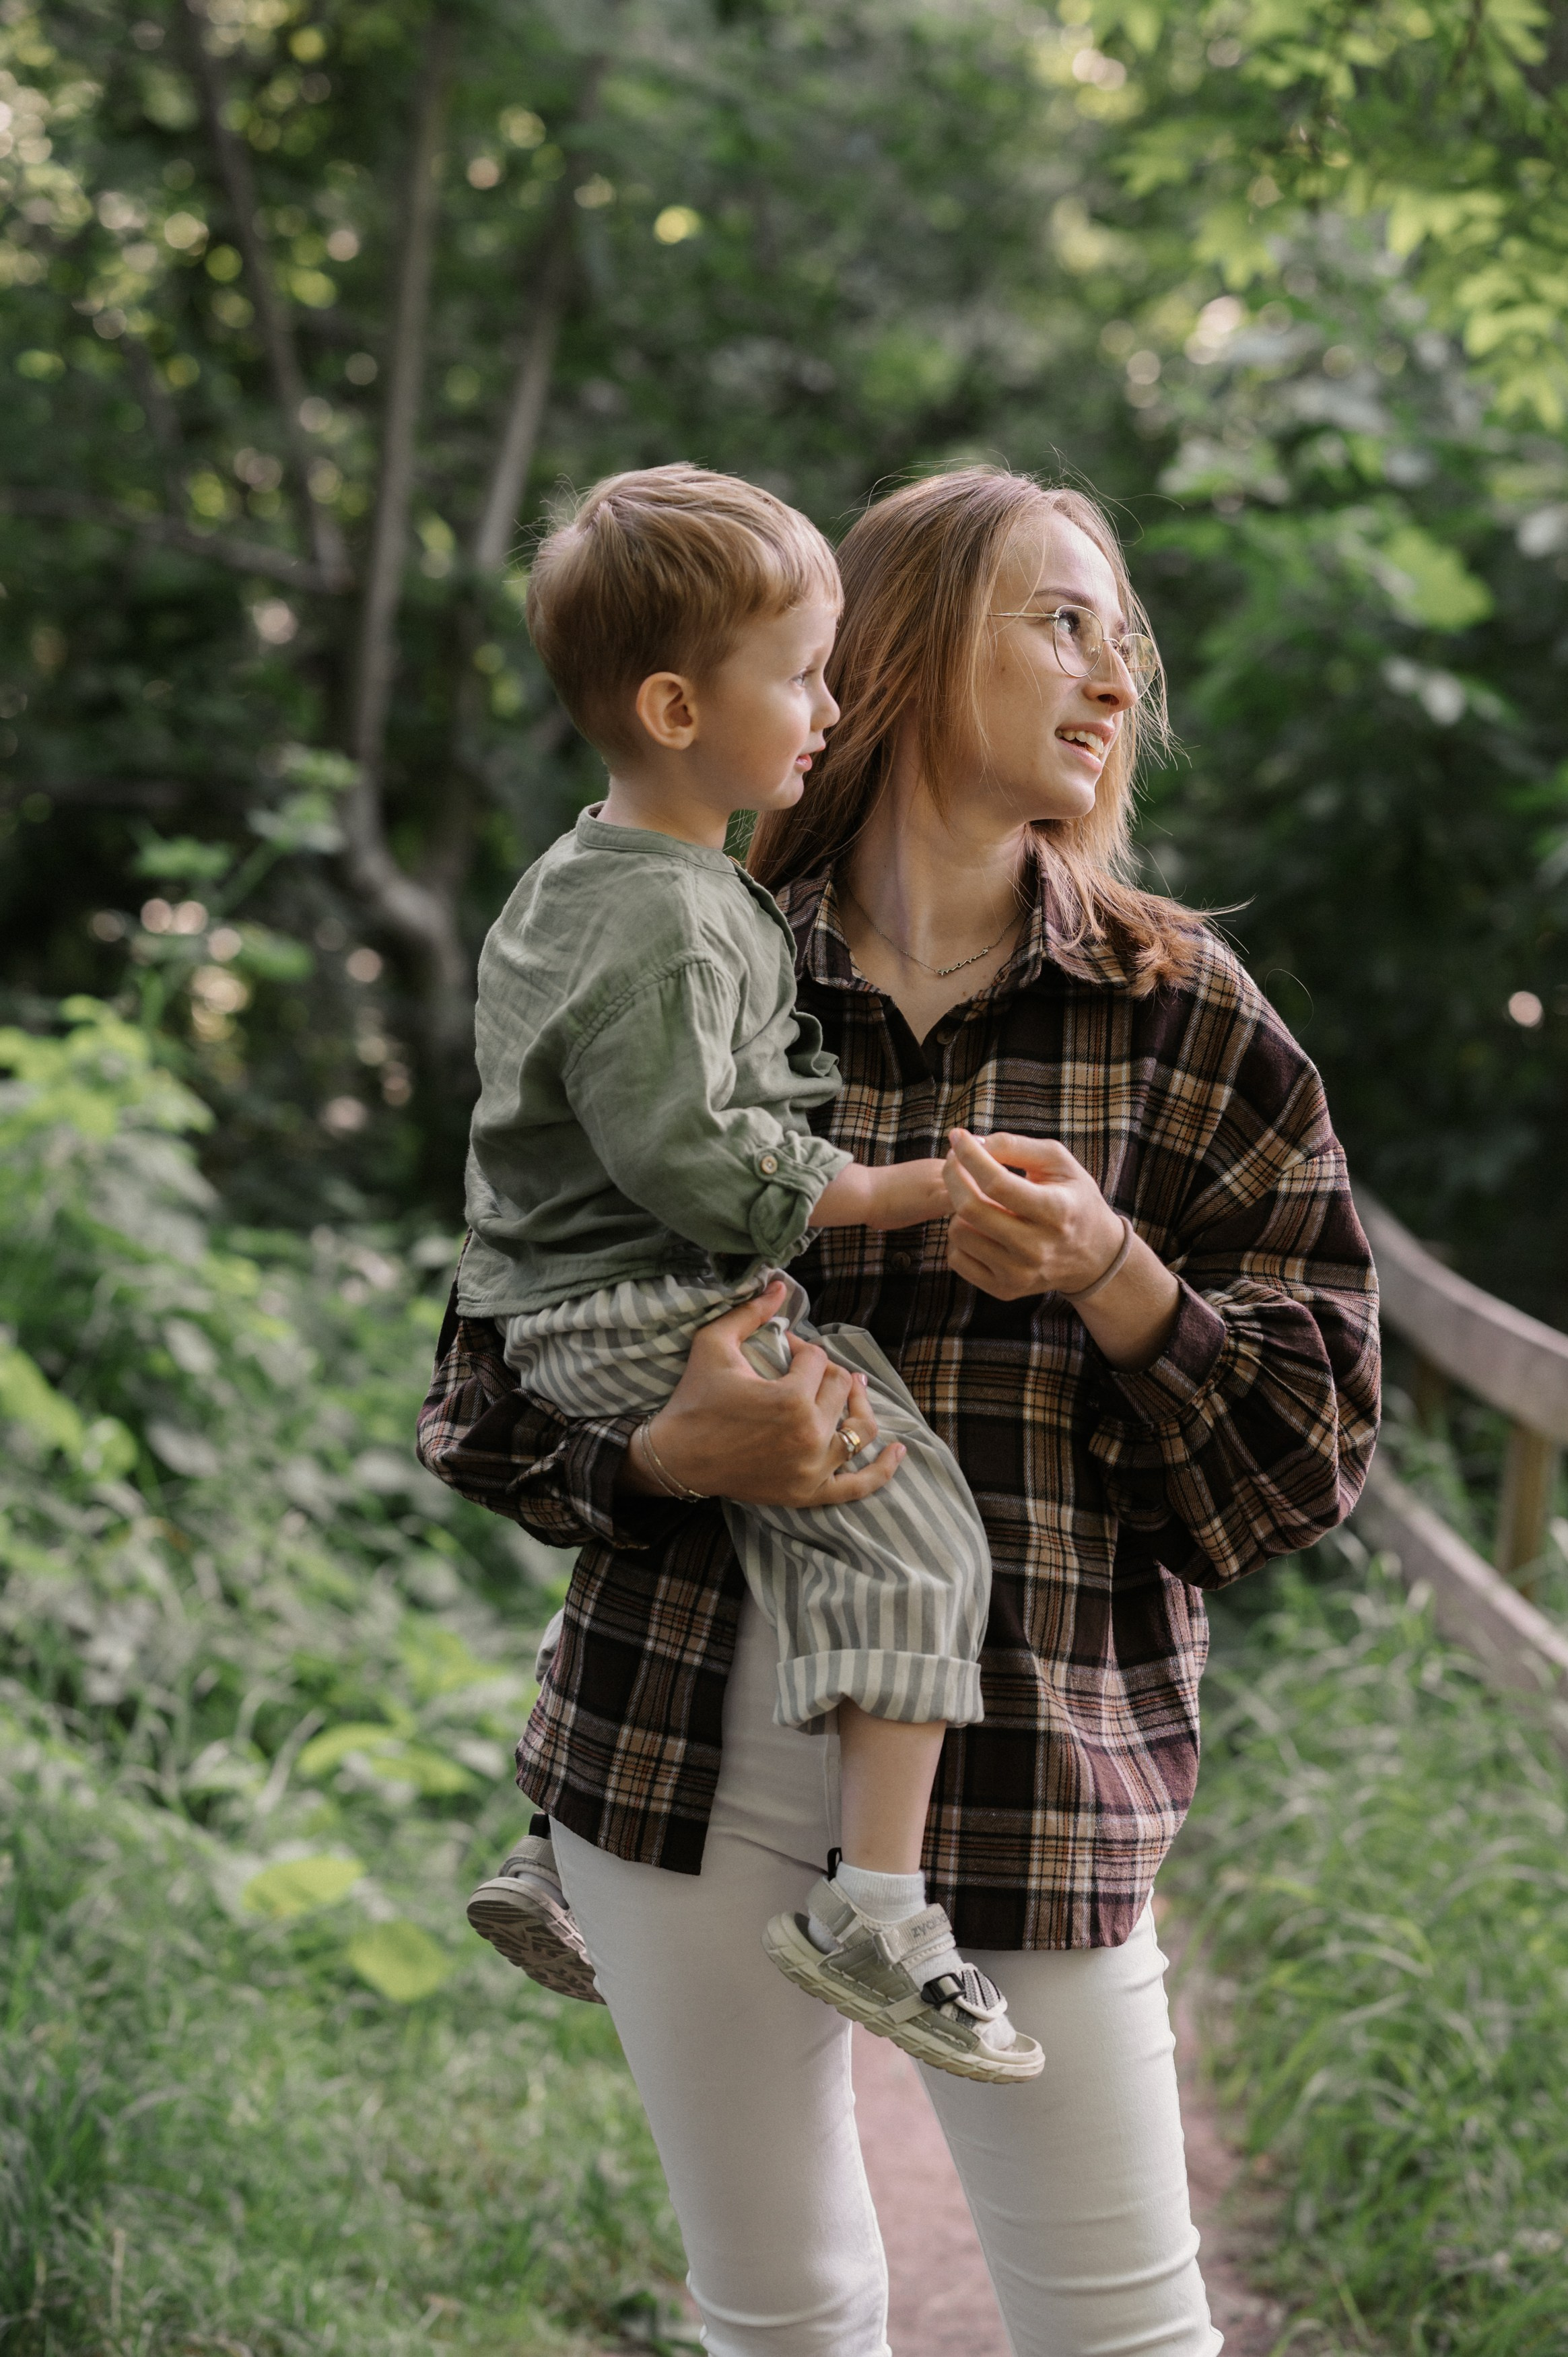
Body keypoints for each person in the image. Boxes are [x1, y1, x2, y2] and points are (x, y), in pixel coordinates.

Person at [419, 463, 1380, 2357]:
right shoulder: (683, 937)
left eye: (1125, 637)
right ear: (910, 644)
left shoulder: (1181, 1011)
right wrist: (663, 1454)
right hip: (678, 1749)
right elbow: (488, 1371)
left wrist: (1117, 1276)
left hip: (1036, 1766)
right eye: (1061, 621)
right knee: (783, 2314)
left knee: (1123, 2335)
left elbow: (1307, 1456)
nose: (1116, 676)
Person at [457, 463, 1040, 2082]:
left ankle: (562, 1837)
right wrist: (898, 1188)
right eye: (801, 676)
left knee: (775, 1516)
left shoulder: (581, 878)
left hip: (560, 1304)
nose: (828, 710)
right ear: (673, 707)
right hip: (640, 1303)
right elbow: (697, 1156)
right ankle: (878, 1913)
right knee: (913, 1525)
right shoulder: (680, 919)